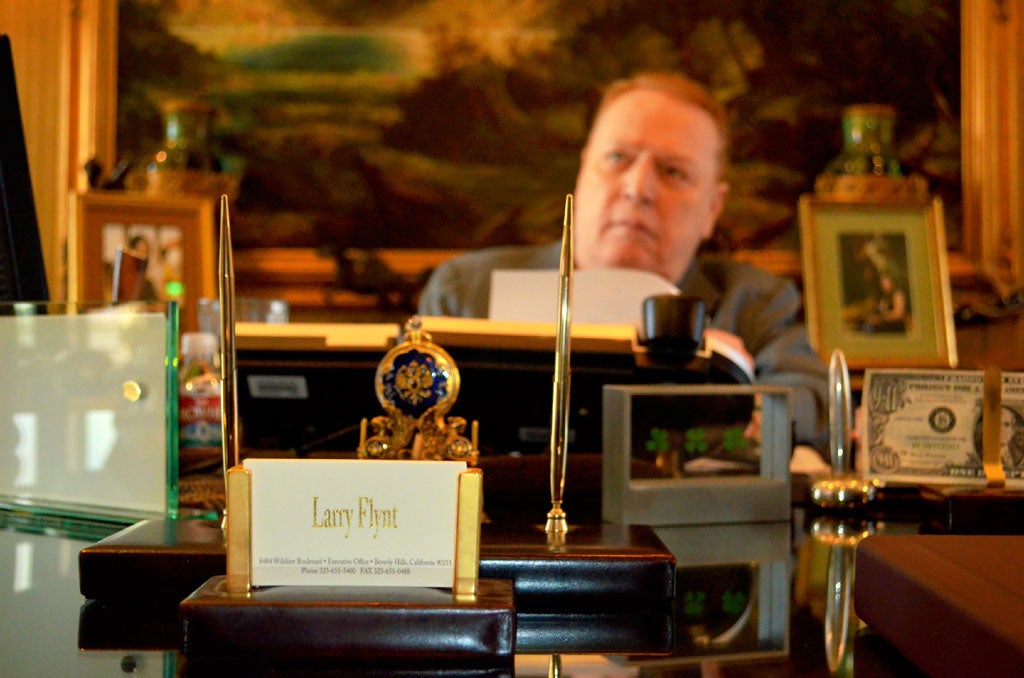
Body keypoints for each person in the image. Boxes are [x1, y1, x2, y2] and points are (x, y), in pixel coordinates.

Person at [418, 72, 828, 449]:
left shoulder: (754, 303)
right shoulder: (465, 293)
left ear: (713, 208)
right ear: (582, 172)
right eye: (617, 159)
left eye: (673, 172)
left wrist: (719, 375)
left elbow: (811, 404)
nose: (637, 188)